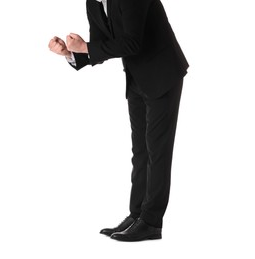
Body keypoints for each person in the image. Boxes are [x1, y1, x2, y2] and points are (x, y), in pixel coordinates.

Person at [48, 0, 189, 242]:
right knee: (141, 151)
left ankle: (151, 222)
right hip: (136, 78)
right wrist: (70, 53)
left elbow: (132, 43)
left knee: (158, 151)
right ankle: (137, 216)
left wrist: (86, 46)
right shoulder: (93, 2)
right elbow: (101, 46)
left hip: (162, 73)